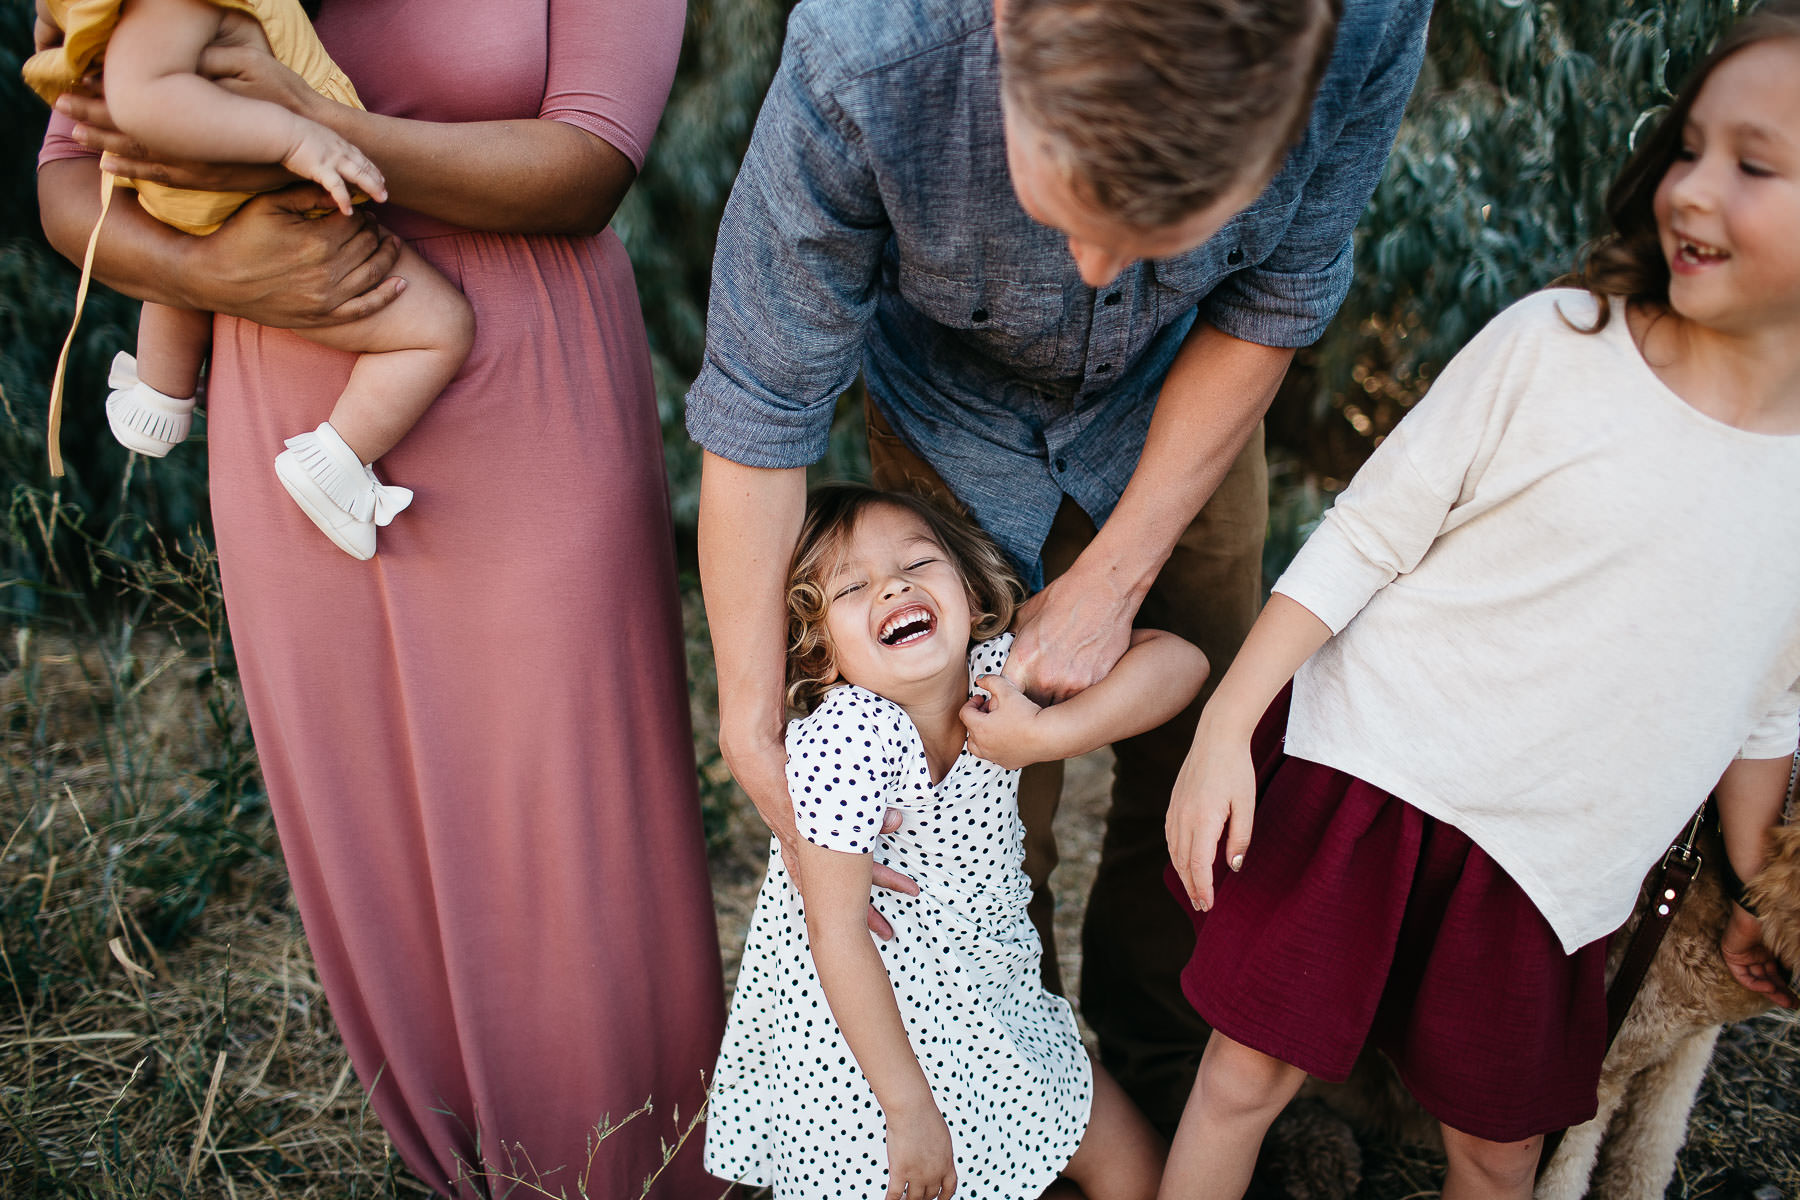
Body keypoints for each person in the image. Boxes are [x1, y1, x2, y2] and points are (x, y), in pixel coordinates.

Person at [686, 0, 1430, 1129]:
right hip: (948, 409)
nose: (1094, 270)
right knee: (985, 811)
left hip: (1194, 398)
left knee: (1204, 760)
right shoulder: (867, 56)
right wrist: (751, 724)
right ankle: (999, 1085)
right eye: (1068, 205)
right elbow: (763, 401)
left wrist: (1118, 576)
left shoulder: (1370, 28)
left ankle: (1166, 1072)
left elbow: (1275, 298)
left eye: (1165, 228)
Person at [35, 3, 725, 1196]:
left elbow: (584, 167)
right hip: (288, 392)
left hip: (526, 382)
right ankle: (451, 1163)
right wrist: (204, 268)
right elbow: (71, 179)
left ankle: (632, 1170)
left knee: (559, 812)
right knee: (370, 806)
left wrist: (310, 116)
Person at [1160, 6, 1800, 1195]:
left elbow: (1766, 707)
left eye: (1754, 165)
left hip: (1557, 870)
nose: (1694, 190)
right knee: (1242, 1078)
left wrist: (1761, 889)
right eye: (1690, 147)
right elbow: (1365, 536)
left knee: (1500, 1159)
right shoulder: (1557, 344)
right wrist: (1221, 734)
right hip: (1377, 774)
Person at [705, 484, 1203, 1198]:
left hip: (994, 1005)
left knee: (1139, 1173)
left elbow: (1179, 661)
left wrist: (1049, 732)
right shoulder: (848, 739)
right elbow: (835, 933)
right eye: (852, 586)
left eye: (918, 562)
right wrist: (908, 1111)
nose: (893, 586)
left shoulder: (995, 671)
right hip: (875, 1053)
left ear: (971, 597)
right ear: (819, 654)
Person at [25, 0, 473, 560]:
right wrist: (294, 138)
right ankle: (335, 462)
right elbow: (145, 96)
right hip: (251, 177)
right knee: (439, 327)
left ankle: (161, 392)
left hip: (202, 196)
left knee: (197, 237)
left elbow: (51, 29)